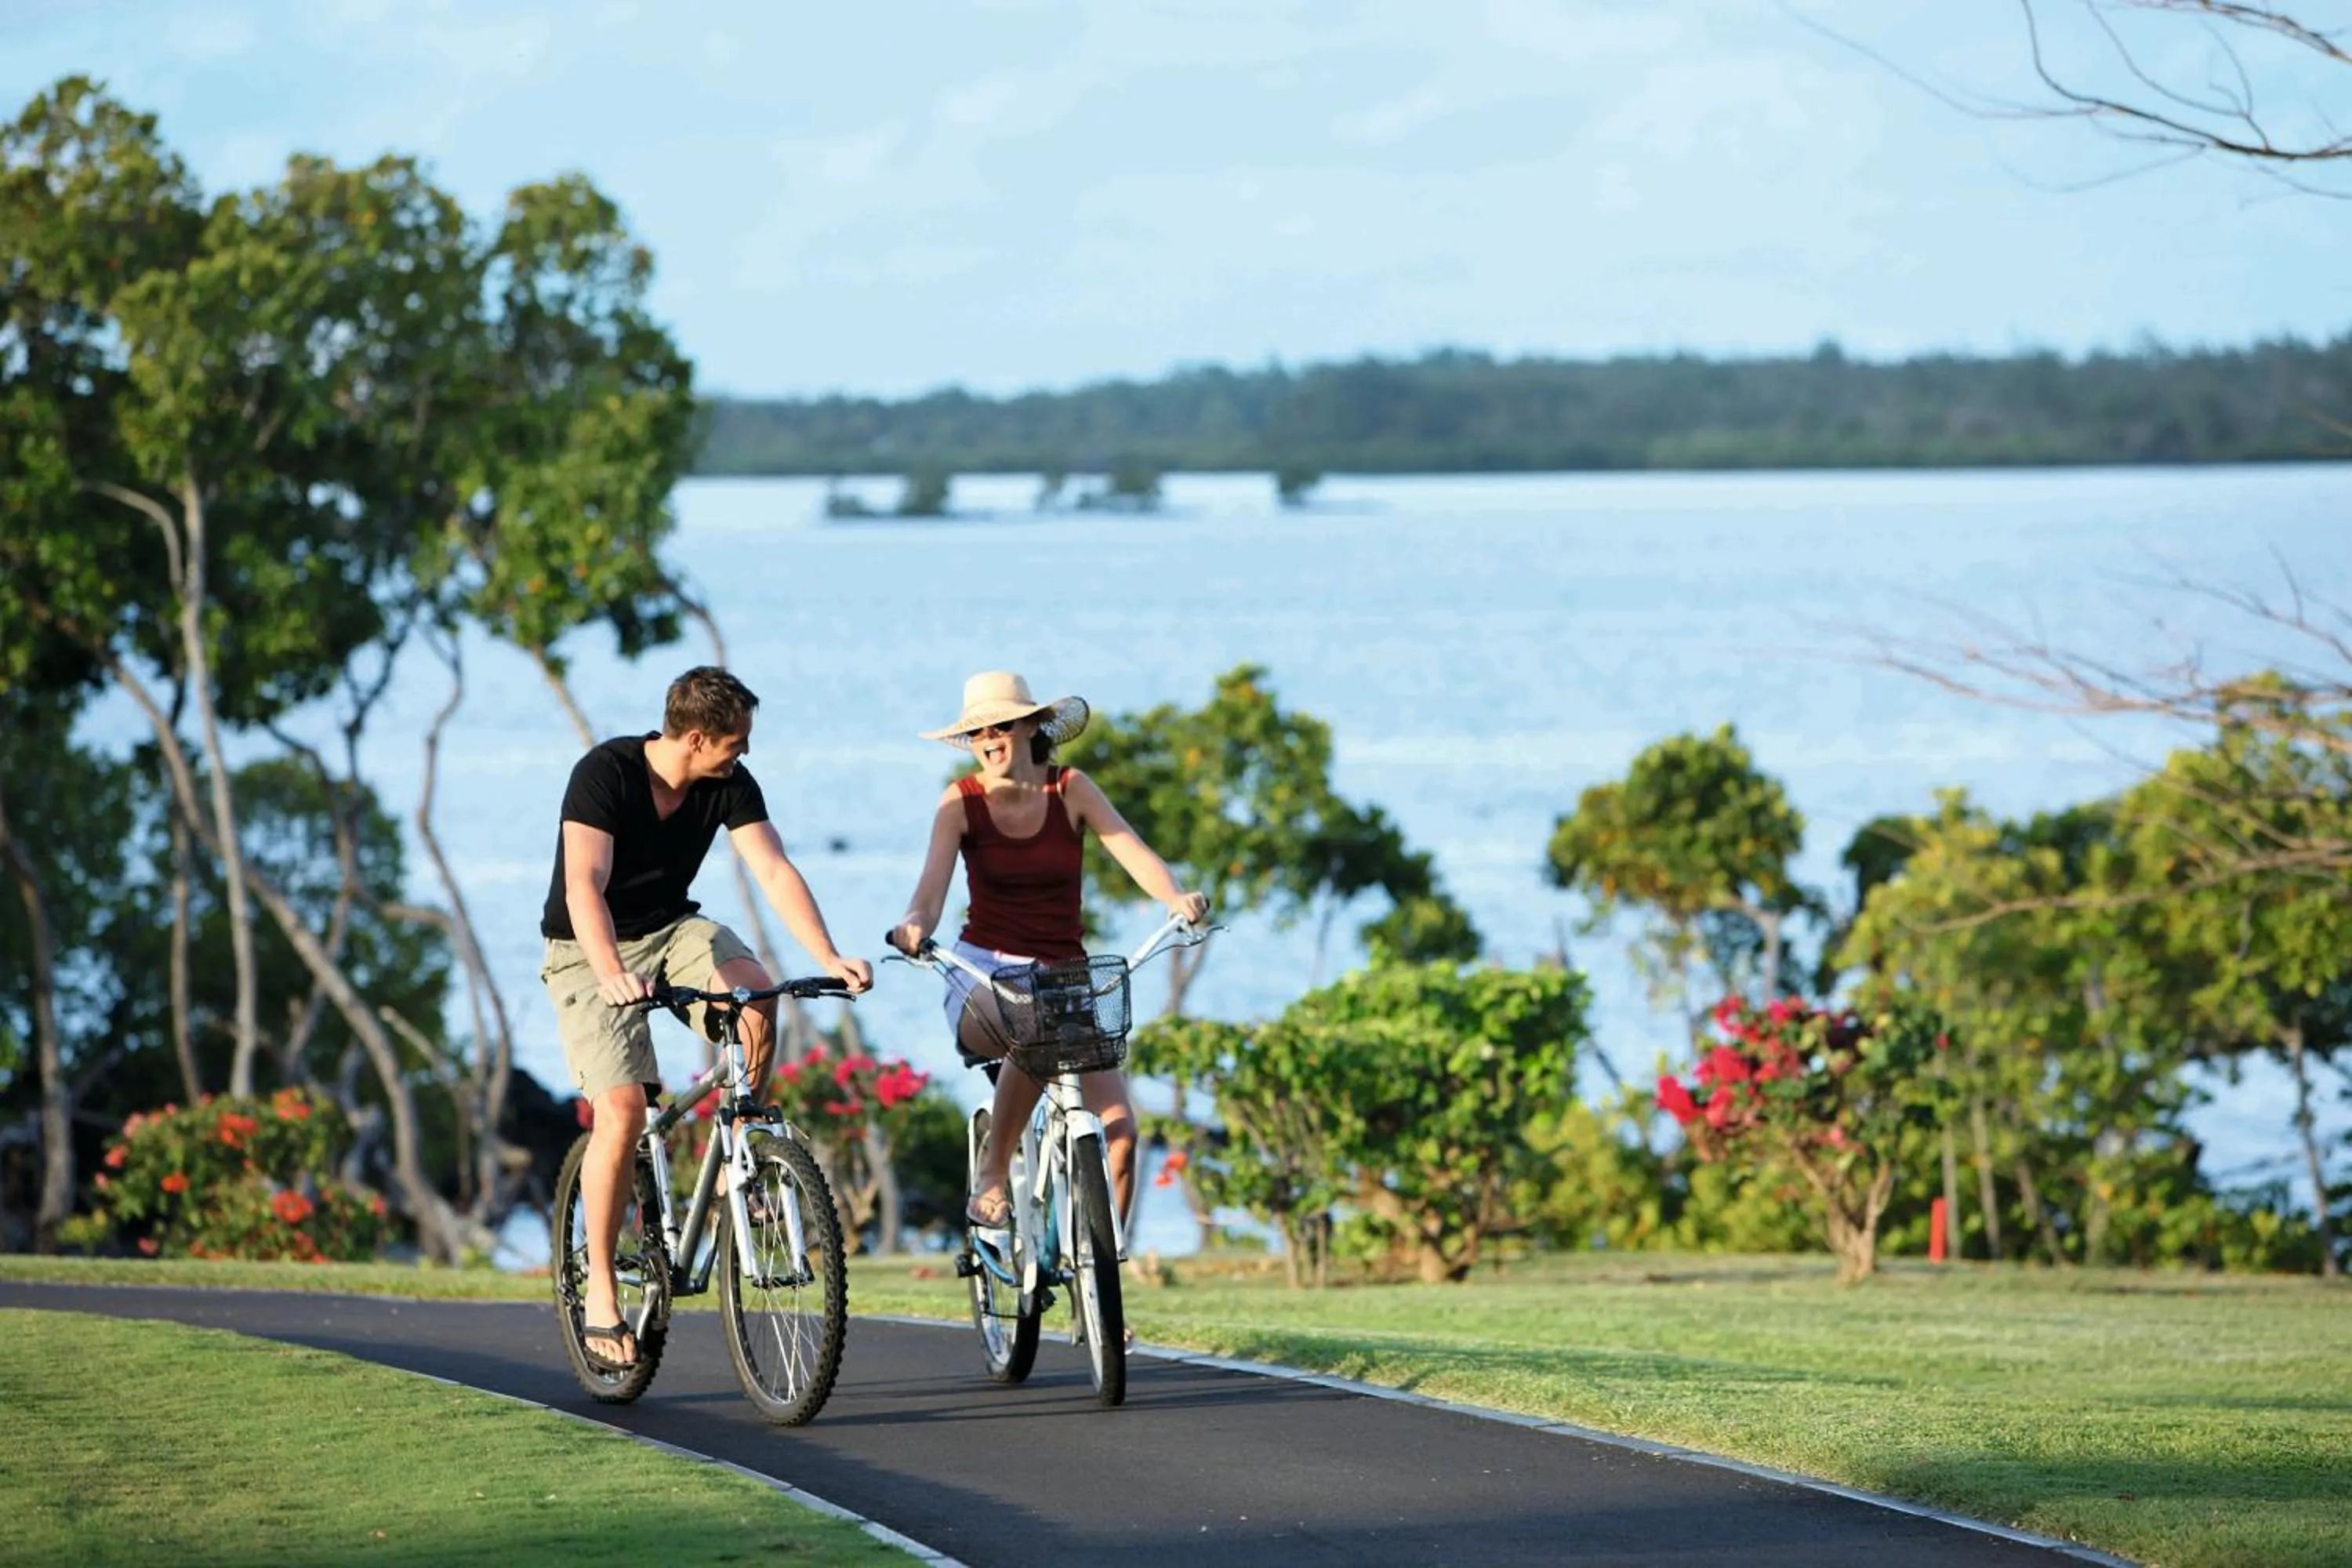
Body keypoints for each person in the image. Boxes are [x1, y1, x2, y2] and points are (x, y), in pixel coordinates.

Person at [540, 665, 872, 1374]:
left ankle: (742, 1146)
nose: (744, 754)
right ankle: (600, 1288)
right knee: (623, 1111)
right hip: (586, 946)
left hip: (673, 931)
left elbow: (773, 870)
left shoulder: (727, 784)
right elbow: (582, 887)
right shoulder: (604, 774)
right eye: (735, 742)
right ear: (696, 736)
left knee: (756, 999)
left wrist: (829, 954)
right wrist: (610, 974)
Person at [887, 670, 1207, 1231]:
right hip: (983, 976)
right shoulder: (961, 803)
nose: (989, 739)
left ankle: (1106, 1296)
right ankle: (992, 1173)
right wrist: (912, 926)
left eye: (1001, 725)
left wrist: (1176, 897)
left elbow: (1133, 853)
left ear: (1033, 726)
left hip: (1064, 983)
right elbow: (929, 896)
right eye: (977, 731)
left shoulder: (1071, 789)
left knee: (1122, 1137)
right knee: (1030, 1024)